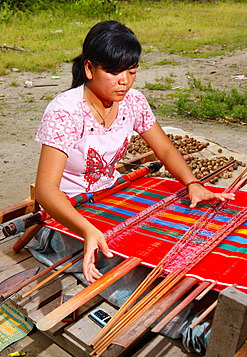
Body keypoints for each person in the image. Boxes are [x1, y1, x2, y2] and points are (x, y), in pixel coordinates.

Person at [33, 20, 234, 292]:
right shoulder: (65, 112)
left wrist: (193, 183)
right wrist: (88, 230)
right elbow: (46, 190)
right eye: (114, 72)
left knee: (182, 241)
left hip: (112, 195)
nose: (124, 81)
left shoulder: (132, 102)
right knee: (141, 270)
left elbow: (163, 148)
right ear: (89, 68)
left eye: (131, 71)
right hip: (69, 213)